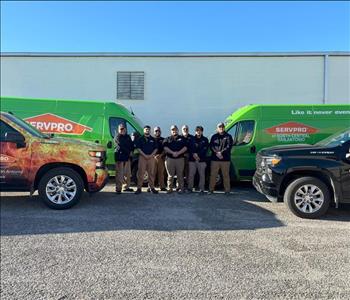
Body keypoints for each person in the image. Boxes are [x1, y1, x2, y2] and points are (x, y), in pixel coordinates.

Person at [208, 122, 233, 195]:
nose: (221, 128)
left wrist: (221, 153)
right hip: (215, 159)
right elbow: (211, 146)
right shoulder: (214, 136)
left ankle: (227, 191)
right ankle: (211, 190)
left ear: (224, 128)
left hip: (225, 160)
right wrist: (217, 153)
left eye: (222, 127)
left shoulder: (228, 136)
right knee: (213, 175)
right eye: (219, 127)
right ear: (217, 128)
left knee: (226, 176)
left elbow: (229, 146)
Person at [163, 125, 188, 194]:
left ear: (178, 130)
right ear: (171, 131)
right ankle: (169, 188)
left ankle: (180, 188)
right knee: (170, 175)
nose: (174, 131)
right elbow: (165, 147)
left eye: (175, 129)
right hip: (170, 159)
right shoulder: (167, 139)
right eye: (172, 130)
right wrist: (173, 152)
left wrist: (178, 153)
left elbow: (185, 147)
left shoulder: (182, 138)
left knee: (180, 175)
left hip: (180, 159)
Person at [134, 125, 158, 194]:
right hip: (142, 157)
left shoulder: (153, 139)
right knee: (141, 173)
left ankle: (152, 188)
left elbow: (156, 148)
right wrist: (144, 155)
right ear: (143, 130)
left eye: (148, 129)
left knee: (151, 173)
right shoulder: (140, 139)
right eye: (146, 129)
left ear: (150, 130)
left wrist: (151, 155)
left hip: (151, 158)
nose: (147, 130)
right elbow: (138, 148)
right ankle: (139, 188)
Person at [187, 126, 209, 195]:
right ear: (195, 131)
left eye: (200, 130)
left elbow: (205, 149)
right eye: (197, 130)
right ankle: (190, 188)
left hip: (201, 160)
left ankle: (201, 189)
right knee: (191, 175)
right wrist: (194, 154)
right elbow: (189, 148)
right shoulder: (191, 139)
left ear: (202, 131)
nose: (198, 132)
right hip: (192, 160)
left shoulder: (205, 139)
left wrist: (198, 155)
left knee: (202, 175)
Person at [114, 124, 134, 194]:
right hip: (120, 158)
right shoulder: (117, 136)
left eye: (123, 129)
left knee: (127, 174)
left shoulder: (128, 136)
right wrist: (129, 152)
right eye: (121, 129)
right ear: (118, 130)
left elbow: (131, 145)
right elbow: (121, 145)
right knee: (119, 174)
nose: (122, 130)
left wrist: (132, 151)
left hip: (127, 158)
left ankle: (126, 187)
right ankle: (118, 188)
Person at [153, 126, 167, 191]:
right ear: (154, 132)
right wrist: (153, 155)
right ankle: (151, 187)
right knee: (152, 173)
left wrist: (161, 155)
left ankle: (162, 186)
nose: (157, 132)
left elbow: (165, 149)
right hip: (153, 158)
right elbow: (149, 149)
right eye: (156, 131)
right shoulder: (151, 139)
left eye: (158, 131)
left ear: (160, 132)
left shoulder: (163, 139)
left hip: (161, 158)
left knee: (161, 173)